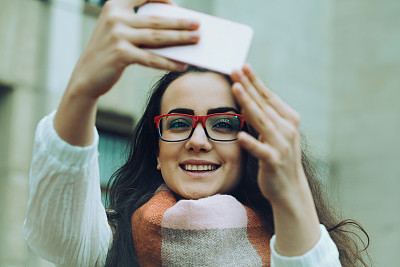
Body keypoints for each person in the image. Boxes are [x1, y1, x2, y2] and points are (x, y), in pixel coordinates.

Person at [23, 0, 369, 266]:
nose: (198, 141)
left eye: (223, 124)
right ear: (156, 153)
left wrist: (290, 192)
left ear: (253, 144)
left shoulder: (300, 241)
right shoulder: (114, 244)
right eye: (178, 123)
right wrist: (83, 89)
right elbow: (56, 233)